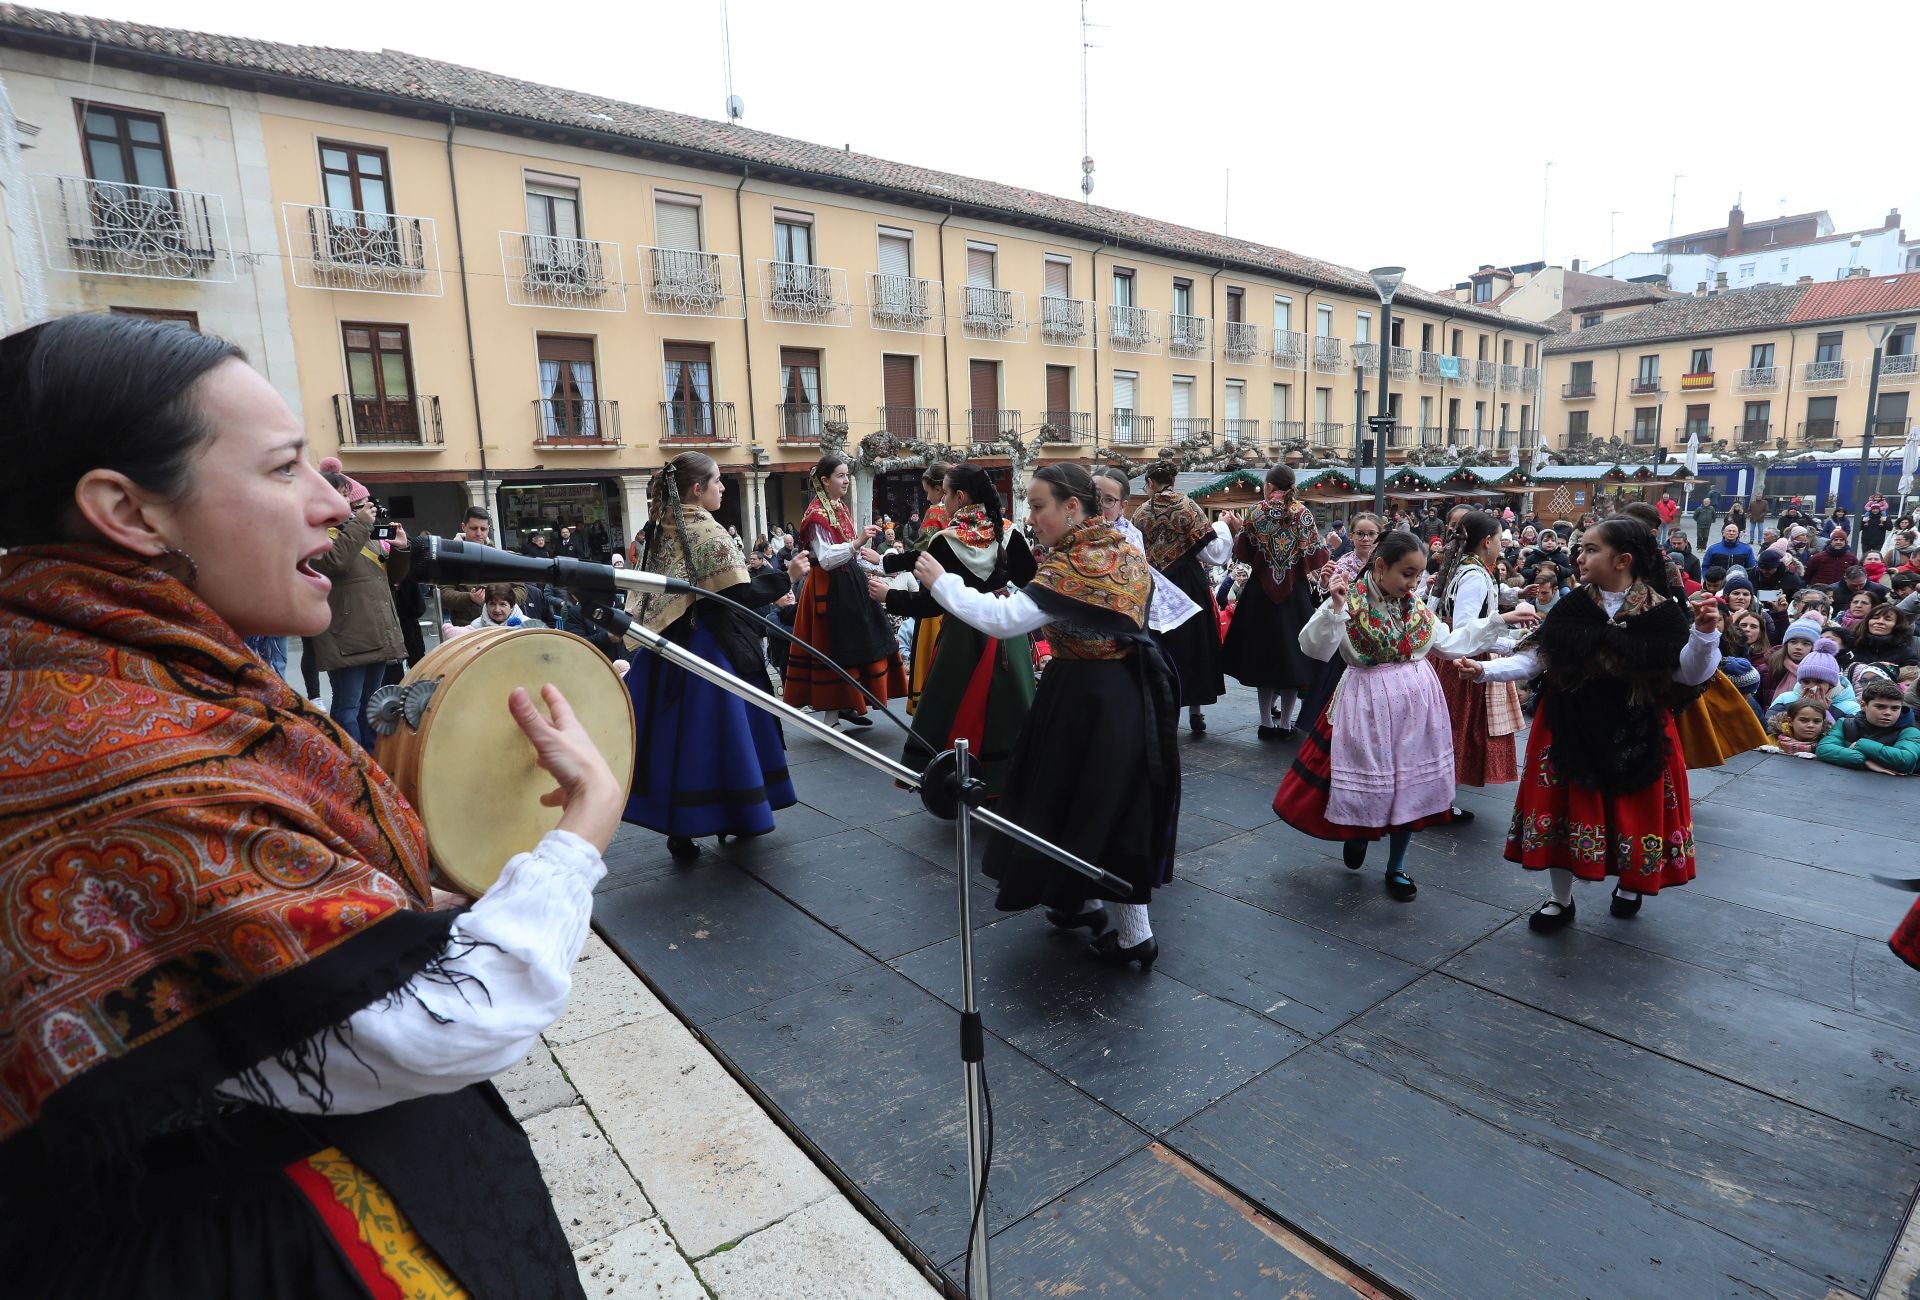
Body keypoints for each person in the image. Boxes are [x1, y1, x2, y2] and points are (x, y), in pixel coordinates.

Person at [0, 312, 618, 1296]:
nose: (333, 505)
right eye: (287, 468)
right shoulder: (125, 749)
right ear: (129, 511)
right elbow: (428, 1028)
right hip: (247, 1243)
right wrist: (580, 828)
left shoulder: (113, 668)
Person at [915, 463, 1179, 969]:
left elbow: (1004, 621)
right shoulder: (1122, 545)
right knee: (1096, 800)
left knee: (1091, 801)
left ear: (1071, 507)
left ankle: (1133, 934)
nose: (1031, 517)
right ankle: (1083, 902)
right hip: (1122, 689)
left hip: (1088, 694)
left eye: (1038, 507)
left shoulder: (1075, 564)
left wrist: (942, 582)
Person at [1460, 518, 1723, 930]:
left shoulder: (1662, 613)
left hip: (1636, 726)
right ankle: (1560, 899)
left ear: (1622, 560)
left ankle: (1632, 883)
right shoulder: (1573, 607)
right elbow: (1538, 658)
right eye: (1581, 548)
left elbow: (1688, 674)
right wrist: (1483, 671)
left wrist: (1705, 636)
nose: (1579, 556)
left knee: (1633, 810)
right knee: (1563, 808)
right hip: (1570, 722)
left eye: (1590, 549)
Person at [1273, 530, 1531, 900]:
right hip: (1367, 703)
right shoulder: (1350, 599)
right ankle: (1359, 833)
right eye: (1407, 573)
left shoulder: (1415, 607)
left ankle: (1397, 866)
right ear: (1380, 566)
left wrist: (1499, 620)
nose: (1413, 583)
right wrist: (1334, 608)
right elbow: (1313, 647)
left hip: (1417, 705)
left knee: (1411, 785)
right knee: (1370, 780)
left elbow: (1447, 642)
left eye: (1417, 574)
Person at [623, 452, 804, 862]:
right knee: (720, 737)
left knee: (673, 739)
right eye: (718, 481)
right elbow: (736, 597)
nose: (723, 488)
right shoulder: (708, 532)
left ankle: (679, 830)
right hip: (710, 646)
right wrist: (786, 577)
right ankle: (736, 813)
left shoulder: (658, 529)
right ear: (695, 489)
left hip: (665, 649)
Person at [869, 463, 1035, 796]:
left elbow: (933, 604)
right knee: (1011, 706)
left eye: (945, 493)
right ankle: (1013, 778)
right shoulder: (1008, 531)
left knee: (952, 705)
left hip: (963, 637)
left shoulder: (947, 541)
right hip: (1006, 633)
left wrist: (891, 596)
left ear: (959, 497)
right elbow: (1031, 580)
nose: (942, 500)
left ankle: (957, 776)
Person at [781, 453, 907, 727]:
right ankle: (830, 715)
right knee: (833, 645)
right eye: (840, 475)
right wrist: (858, 542)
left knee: (859, 640)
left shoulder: (840, 509)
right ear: (824, 481)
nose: (846, 480)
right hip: (828, 587)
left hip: (850, 583)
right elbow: (826, 558)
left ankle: (849, 703)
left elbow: (854, 552)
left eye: (847, 475)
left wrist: (881, 567)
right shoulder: (815, 514)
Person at [1429, 510, 1532, 798]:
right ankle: (1441, 798)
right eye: (1500, 539)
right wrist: (1508, 644)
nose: (1502, 545)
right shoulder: (1473, 574)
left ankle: (1442, 795)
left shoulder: (1466, 567)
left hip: (1461, 653)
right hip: (1463, 658)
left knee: (1455, 728)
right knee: (1457, 729)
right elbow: (1465, 628)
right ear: (1487, 541)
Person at [1221, 465, 1329, 740]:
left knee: (1262, 657)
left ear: (1269, 485)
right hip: (1295, 596)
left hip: (1260, 595)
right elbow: (1319, 554)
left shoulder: (1257, 511)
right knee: (1295, 658)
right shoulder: (1303, 514)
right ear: (1292, 485)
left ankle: (1266, 721)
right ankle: (1286, 724)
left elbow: (1241, 551)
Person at [313, 468, 411, 749]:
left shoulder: (360, 532)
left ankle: (371, 760)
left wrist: (401, 550)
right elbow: (332, 563)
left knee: (371, 705)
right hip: (347, 636)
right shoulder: (319, 533)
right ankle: (352, 763)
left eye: (348, 497)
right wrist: (361, 526)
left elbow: (392, 578)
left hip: (377, 630)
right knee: (347, 707)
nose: (350, 504)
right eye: (343, 497)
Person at [1135, 461, 1236, 733]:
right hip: (1188, 585)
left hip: (1155, 587)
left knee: (1162, 646)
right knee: (1193, 646)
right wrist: (1224, 526)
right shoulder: (1188, 507)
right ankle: (1195, 711)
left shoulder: (1142, 513)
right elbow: (1213, 553)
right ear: (1173, 481)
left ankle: (1163, 710)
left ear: (1150, 482)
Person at [897, 460, 954, 713]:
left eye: (929, 491)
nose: (928, 497)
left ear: (940, 489)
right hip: (960, 593)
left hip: (936, 589)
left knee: (930, 652)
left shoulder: (936, 513)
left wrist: (883, 563)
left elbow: (920, 553)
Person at [1816, 678, 1920, 774]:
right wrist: (1864, 761)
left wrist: (1861, 745)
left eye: (1895, 708)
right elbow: (1823, 749)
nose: (1888, 712)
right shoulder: (1846, 724)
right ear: (1863, 705)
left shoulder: (1909, 731)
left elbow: (1906, 760)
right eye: (1880, 706)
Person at [1765, 699, 1830, 757]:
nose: (1811, 725)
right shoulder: (1772, 740)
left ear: (1823, 722)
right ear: (1790, 721)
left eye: (1817, 721)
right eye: (1804, 720)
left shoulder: (1828, 743)